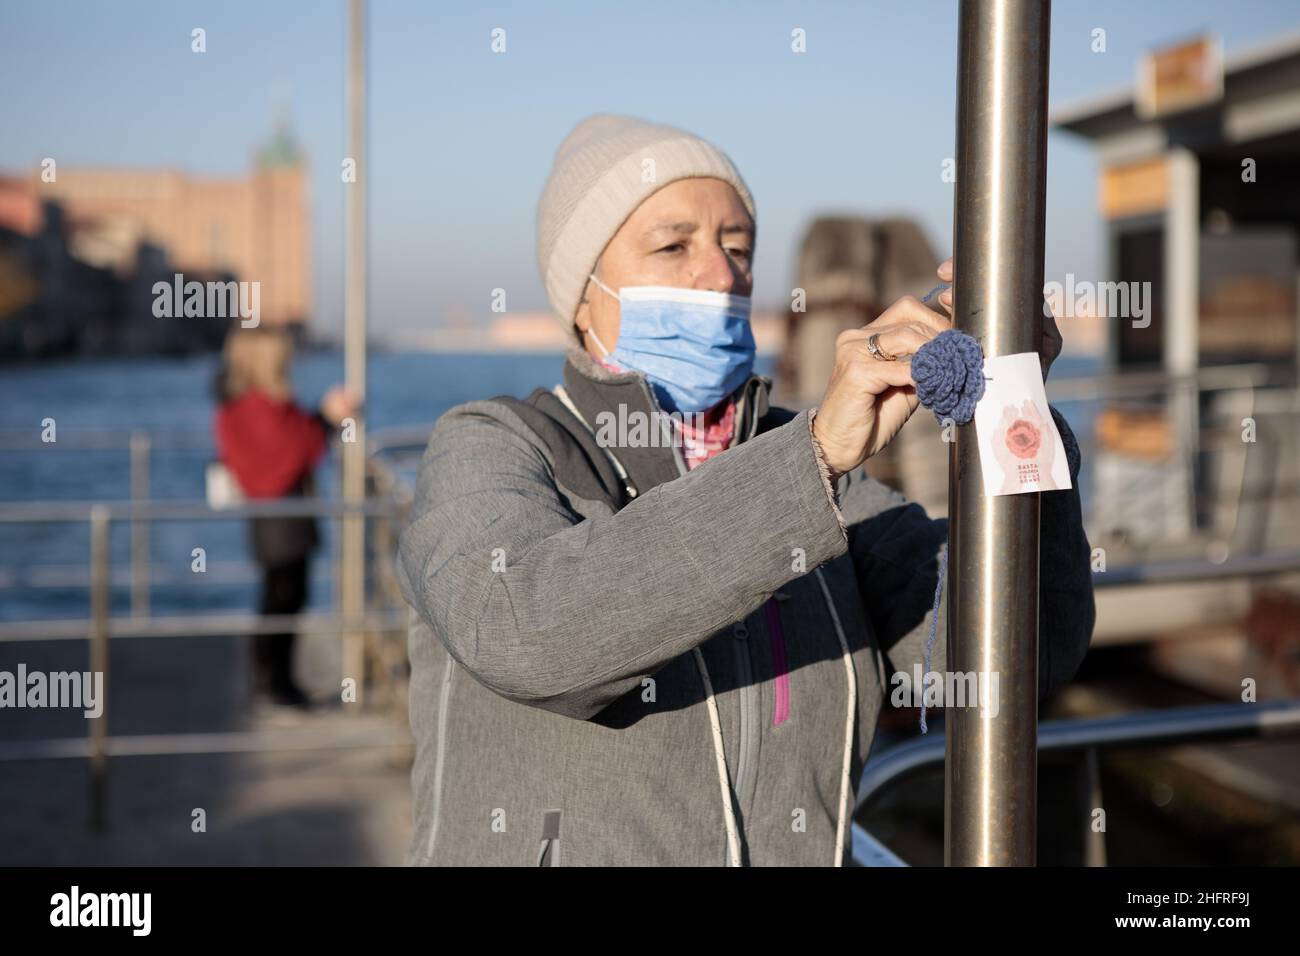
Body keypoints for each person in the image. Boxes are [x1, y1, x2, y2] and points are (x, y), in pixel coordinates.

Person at [397, 114, 1095, 866]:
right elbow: (517, 630)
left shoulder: (831, 486)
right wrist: (814, 454)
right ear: (581, 296)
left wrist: (1013, 412)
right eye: (674, 246)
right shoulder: (493, 444)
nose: (722, 274)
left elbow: (1014, 660)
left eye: (739, 248)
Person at [213, 327, 358, 710]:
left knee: (284, 597)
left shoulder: (244, 405)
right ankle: (275, 685)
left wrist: (322, 420)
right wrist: (327, 419)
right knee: (282, 598)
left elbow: (294, 441)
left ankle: (276, 681)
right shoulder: (257, 408)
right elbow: (293, 449)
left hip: (276, 515)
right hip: (279, 516)